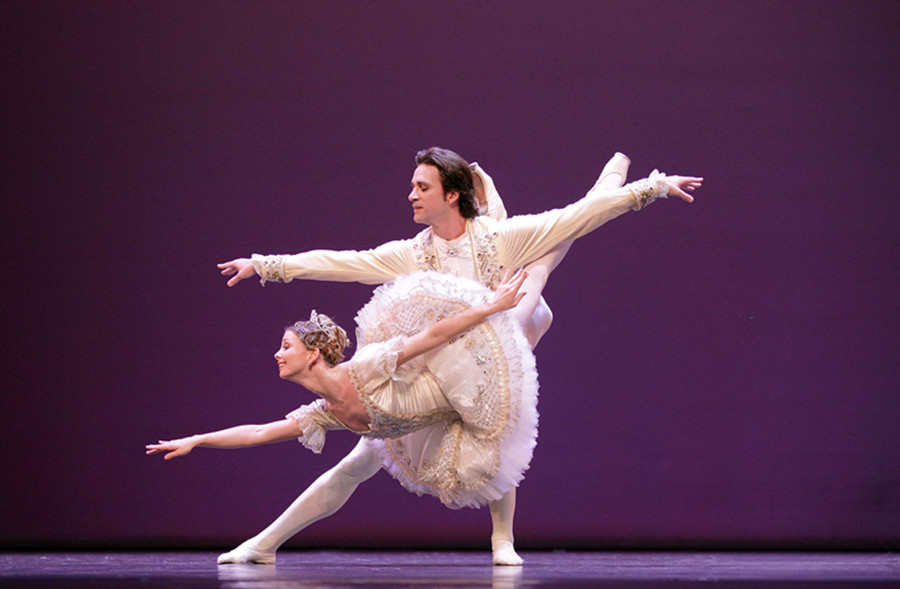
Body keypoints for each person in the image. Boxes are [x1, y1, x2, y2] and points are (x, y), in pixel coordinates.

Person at [215, 148, 703, 565]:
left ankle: (502, 538)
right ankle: (264, 543)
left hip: (500, 339)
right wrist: (266, 265)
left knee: (547, 258)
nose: (410, 195)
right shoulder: (412, 252)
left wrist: (654, 187)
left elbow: (577, 218)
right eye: (412, 186)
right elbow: (343, 262)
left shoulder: (497, 239)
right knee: (359, 461)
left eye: (421, 187)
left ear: (451, 194)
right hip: (433, 372)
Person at [148, 269, 538, 559]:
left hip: (462, 380)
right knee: (355, 470)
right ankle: (262, 546)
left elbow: (432, 337)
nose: (277, 354)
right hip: (434, 424)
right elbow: (257, 432)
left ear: (313, 354)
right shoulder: (326, 413)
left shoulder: (365, 366)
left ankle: (547, 253)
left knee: (527, 310)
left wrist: (492, 306)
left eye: (286, 346)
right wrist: (198, 440)